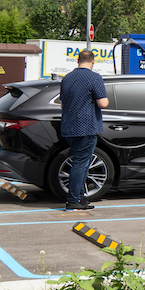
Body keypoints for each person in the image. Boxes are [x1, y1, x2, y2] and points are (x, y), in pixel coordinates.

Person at [59, 49, 109, 210]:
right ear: (93, 62)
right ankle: (73, 200)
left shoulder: (67, 78)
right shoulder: (94, 78)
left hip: (69, 126)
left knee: (81, 163)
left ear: (77, 61)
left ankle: (81, 199)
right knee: (81, 163)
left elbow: (62, 103)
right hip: (86, 127)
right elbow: (103, 103)